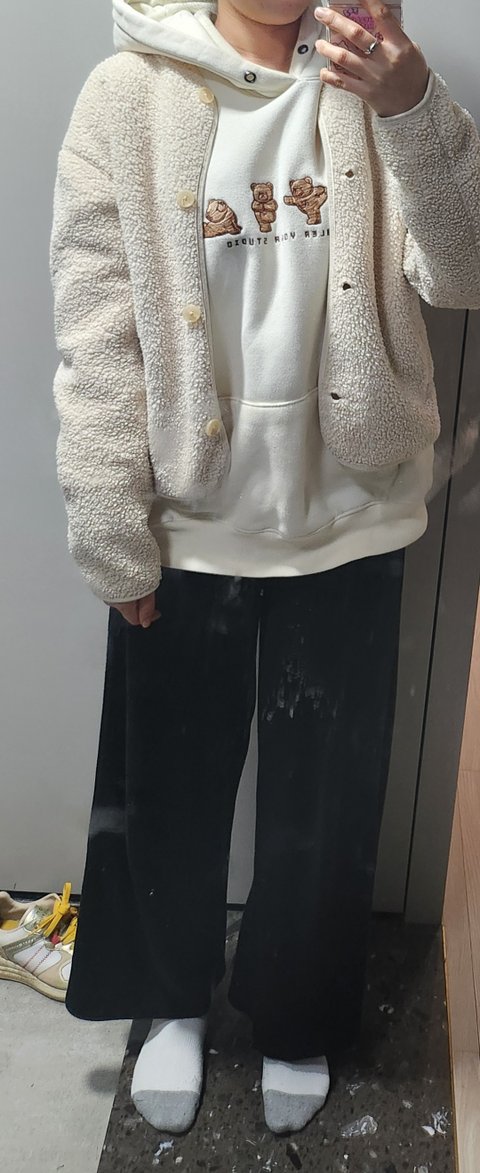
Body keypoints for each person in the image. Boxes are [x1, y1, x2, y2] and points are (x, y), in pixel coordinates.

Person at [49, 0, 480, 1137]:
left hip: (350, 512)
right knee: (167, 787)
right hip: (189, 520)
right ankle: (172, 1002)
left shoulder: (376, 83)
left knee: (327, 800)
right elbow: (96, 331)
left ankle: (298, 1011)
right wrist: (110, 526)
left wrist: (413, 107)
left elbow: (463, 272)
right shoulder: (128, 95)